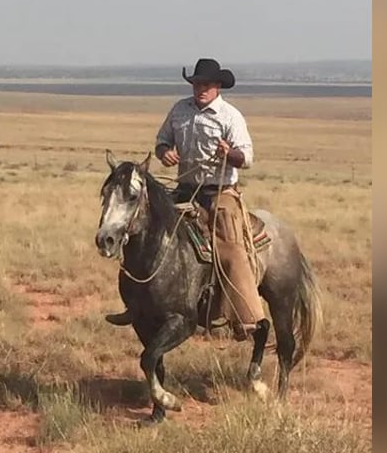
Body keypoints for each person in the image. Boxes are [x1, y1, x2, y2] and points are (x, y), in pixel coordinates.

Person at [105, 58, 267, 341]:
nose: (200, 89)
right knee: (143, 230)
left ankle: (247, 318)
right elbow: (161, 141)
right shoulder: (180, 110)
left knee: (230, 248)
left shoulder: (230, 116)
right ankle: (137, 304)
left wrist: (229, 153)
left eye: (205, 84)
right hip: (183, 188)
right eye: (196, 83)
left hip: (219, 193)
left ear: (217, 86)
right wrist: (164, 152)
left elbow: (247, 158)